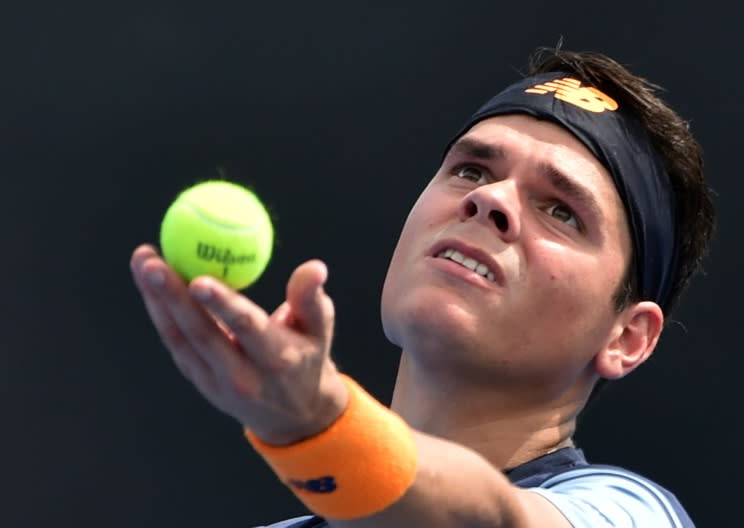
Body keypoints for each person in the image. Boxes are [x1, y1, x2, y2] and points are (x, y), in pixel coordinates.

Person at [130, 47, 715, 527]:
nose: (488, 199)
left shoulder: (630, 514)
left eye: (561, 211)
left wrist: (321, 426)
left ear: (628, 336)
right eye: (471, 169)